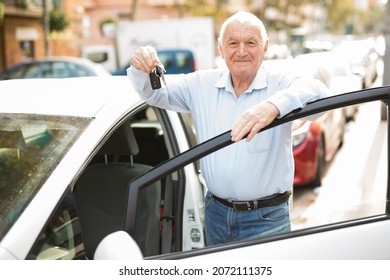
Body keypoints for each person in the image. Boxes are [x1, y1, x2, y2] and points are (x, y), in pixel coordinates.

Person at [127, 11, 328, 246]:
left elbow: (318, 91)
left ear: (265, 48)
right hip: (216, 215)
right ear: (221, 49)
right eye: (233, 43)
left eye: (251, 43)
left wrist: (273, 106)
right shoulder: (201, 84)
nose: (241, 51)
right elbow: (155, 93)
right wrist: (141, 66)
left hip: (267, 219)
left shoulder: (280, 82)